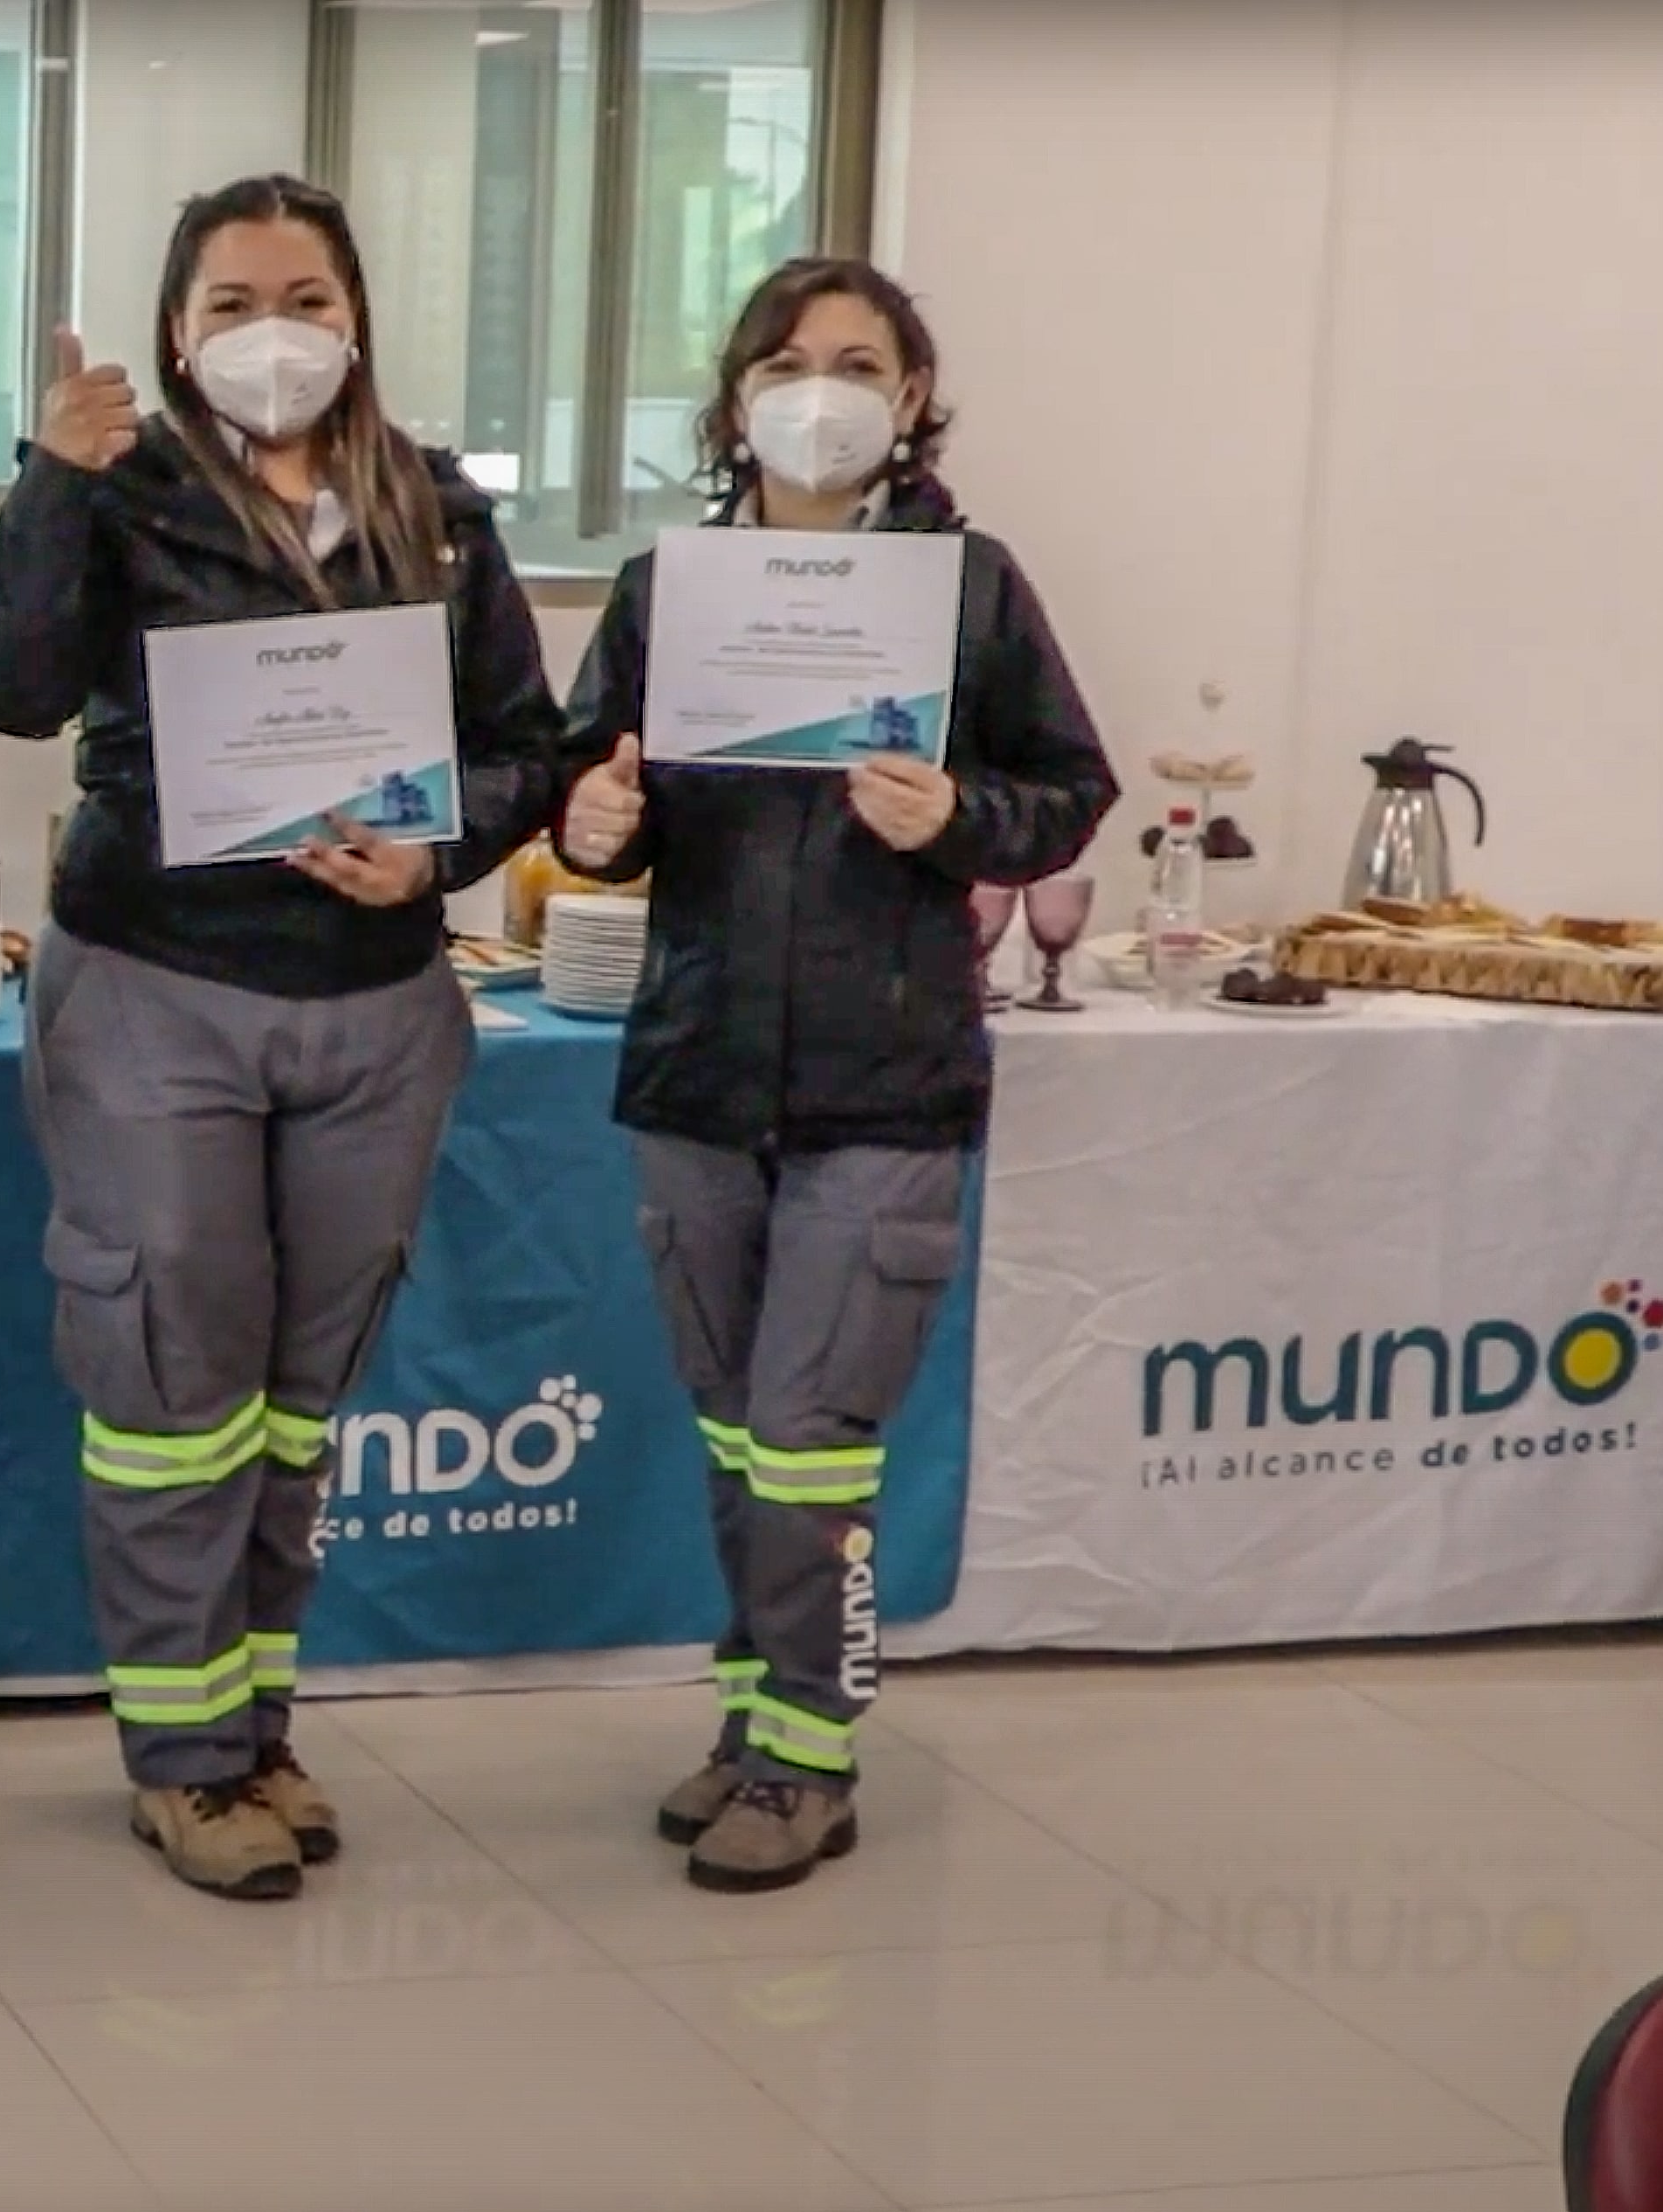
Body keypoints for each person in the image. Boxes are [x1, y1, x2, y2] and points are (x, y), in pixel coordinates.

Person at [0, 176, 570, 1902]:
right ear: (172, 330)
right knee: (168, 1388)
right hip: (157, 985)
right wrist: (48, 478)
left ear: (355, 315)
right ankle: (179, 1758)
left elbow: (522, 742)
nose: (268, 330)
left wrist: (434, 849)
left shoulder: (433, 510)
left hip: (376, 1000)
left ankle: (257, 1719)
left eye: (300, 294)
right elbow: (2, 686)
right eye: (227, 303)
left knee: (298, 1403)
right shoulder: (122, 489)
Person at [551, 257, 1113, 1892]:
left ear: (913, 399)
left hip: (886, 1080)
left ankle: (810, 1749)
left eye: (858, 361)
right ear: (734, 402)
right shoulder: (672, 588)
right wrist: (597, 826)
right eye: (788, 360)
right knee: (736, 1431)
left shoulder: (972, 586)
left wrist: (960, 822)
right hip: (699, 1072)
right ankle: (750, 1724)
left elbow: (1066, 790)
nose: (821, 387)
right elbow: (606, 783)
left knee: (811, 1437)